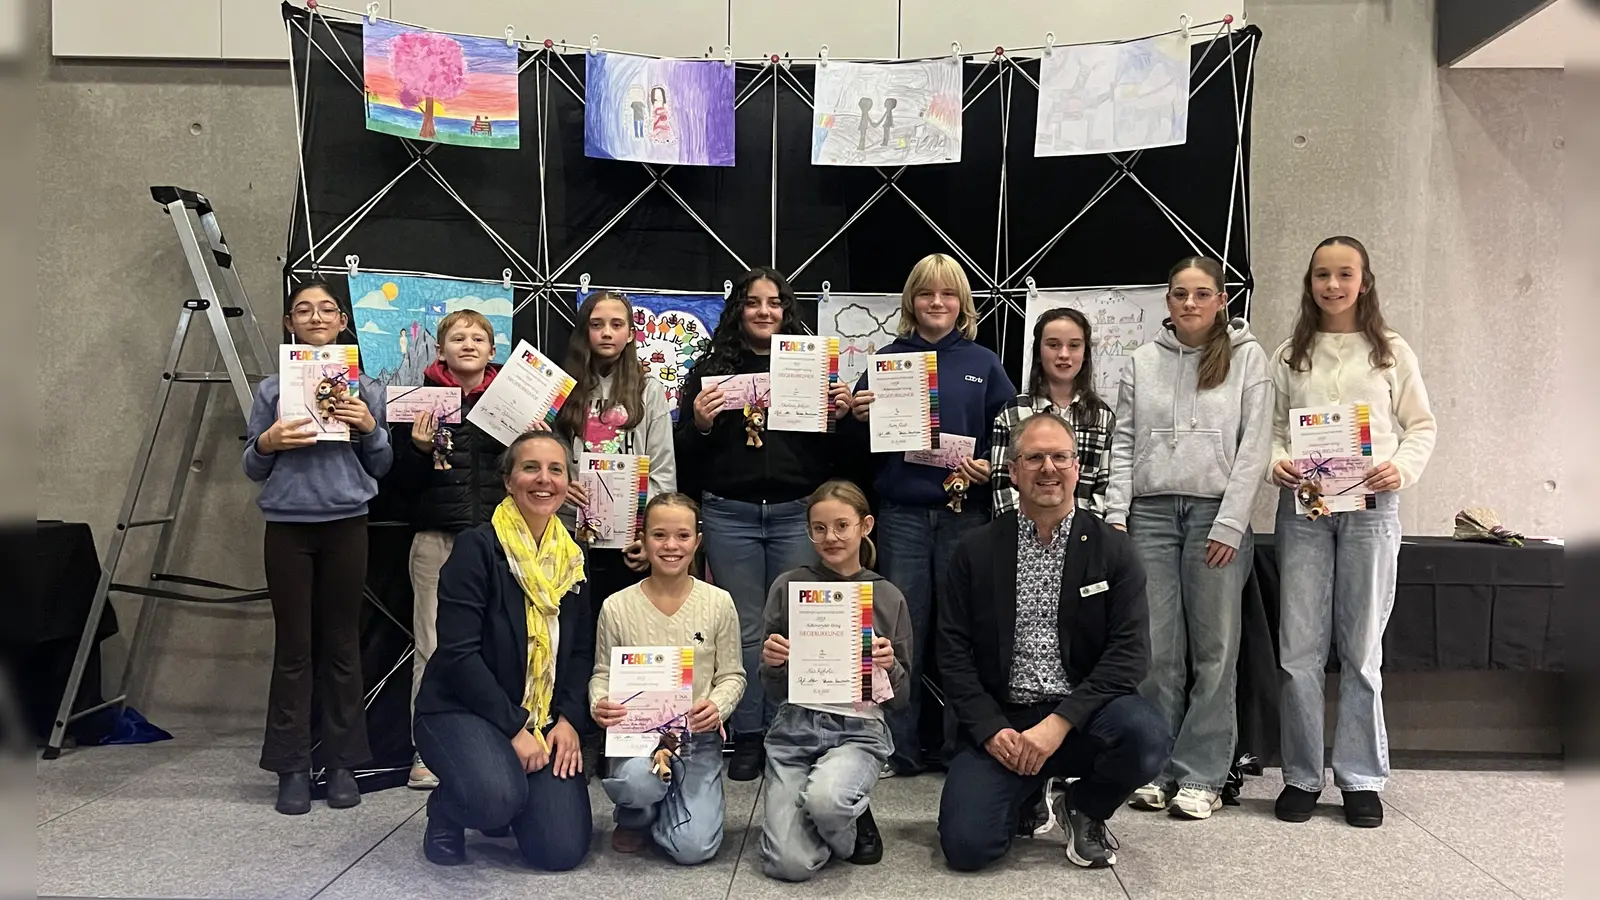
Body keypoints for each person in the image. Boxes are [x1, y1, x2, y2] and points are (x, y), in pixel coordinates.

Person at [935, 412, 1169, 872]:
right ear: (1013, 470)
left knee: (1146, 738)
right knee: (968, 848)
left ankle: (1084, 805)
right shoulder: (976, 550)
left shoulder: (1114, 550)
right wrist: (988, 729)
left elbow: (1129, 656)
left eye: (1060, 457)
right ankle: (1027, 788)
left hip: (1082, 715)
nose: (1049, 469)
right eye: (1035, 457)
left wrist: (1059, 723)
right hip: (1005, 719)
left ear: (1078, 468)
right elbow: (952, 650)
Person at [1268, 237, 1436, 828]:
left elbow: (1420, 426)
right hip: (1306, 509)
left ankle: (1362, 777)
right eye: (1321, 275)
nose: (1332, 285)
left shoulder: (1391, 353)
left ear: (1364, 282)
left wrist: (1402, 467)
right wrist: (1277, 462)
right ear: (1309, 283)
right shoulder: (1292, 354)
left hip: (1372, 509)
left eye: (1344, 274)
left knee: (1362, 649)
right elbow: (1268, 433)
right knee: (1298, 650)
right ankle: (1301, 776)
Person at [1105, 257, 1272, 820]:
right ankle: (1152, 767)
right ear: (1168, 302)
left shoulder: (1249, 360)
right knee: (1156, 653)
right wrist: (1116, 516)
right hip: (1150, 515)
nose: (1191, 304)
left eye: (1203, 294)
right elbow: (1123, 442)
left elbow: (1254, 449)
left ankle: (1202, 774)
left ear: (1221, 300)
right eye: (1180, 294)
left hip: (1214, 514)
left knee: (1215, 652)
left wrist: (1230, 521)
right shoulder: (1140, 362)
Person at [675, 266, 852, 781]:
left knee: (792, 628)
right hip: (729, 513)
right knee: (747, 630)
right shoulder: (711, 366)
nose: (764, 312)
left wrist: (839, 417)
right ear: (739, 309)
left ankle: (786, 733)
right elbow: (686, 451)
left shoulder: (811, 364)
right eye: (754, 303)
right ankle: (749, 735)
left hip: (797, 512)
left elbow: (834, 454)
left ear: (787, 309)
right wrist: (700, 424)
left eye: (774, 303)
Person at [847, 252, 1015, 776]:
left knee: (961, 634)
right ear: (910, 302)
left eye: (947, 293)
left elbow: (1008, 431)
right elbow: (855, 445)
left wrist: (992, 463)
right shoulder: (885, 361)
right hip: (902, 515)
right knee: (901, 637)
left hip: (966, 515)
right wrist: (856, 417)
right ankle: (898, 748)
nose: (936, 302)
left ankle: (961, 746)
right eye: (925, 293)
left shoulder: (984, 362)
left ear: (962, 302)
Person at [412, 432, 593, 870]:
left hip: (542, 713)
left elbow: (582, 650)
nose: (543, 480)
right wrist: (515, 729)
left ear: (569, 483)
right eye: (530, 468)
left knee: (561, 851)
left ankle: (506, 793)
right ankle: (449, 809)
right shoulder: (477, 548)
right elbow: (457, 655)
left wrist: (568, 719)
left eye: (556, 470)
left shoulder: (571, 557)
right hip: (462, 710)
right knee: (494, 799)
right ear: (509, 481)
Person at [244, 280, 390, 816]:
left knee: (343, 646)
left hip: (347, 524)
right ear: (290, 324)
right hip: (287, 526)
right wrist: (268, 442)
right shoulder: (270, 390)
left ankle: (345, 764)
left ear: (342, 323)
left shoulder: (365, 389)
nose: (316, 315)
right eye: (303, 309)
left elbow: (382, 465)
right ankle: (292, 767)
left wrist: (371, 428)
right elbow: (252, 467)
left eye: (327, 308)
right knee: (294, 649)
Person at [757, 479, 913, 881]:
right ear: (808, 531)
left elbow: (901, 698)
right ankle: (841, 807)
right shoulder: (788, 587)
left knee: (827, 802)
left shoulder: (888, 596)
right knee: (789, 865)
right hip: (795, 729)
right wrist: (773, 663)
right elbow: (773, 690)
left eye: (842, 525)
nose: (831, 537)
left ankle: (839, 803)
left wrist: (890, 665)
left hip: (859, 730)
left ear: (866, 526)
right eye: (820, 528)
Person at [556, 290, 678, 774]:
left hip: (628, 541)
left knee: (625, 640)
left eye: (616, 325)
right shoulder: (563, 387)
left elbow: (663, 469)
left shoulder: (648, 389)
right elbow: (542, 454)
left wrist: (650, 537)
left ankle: (627, 739)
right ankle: (577, 735)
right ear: (584, 330)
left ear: (631, 333)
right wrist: (561, 485)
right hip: (572, 538)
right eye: (597, 324)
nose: (606, 333)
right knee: (574, 638)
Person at [589, 494, 745, 864]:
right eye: (659, 535)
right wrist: (600, 702)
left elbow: (733, 675)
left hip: (696, 741)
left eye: (682, 535)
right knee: (637, 783)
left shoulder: (719, 602)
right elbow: (601, 674)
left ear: (697, 541)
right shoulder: (616, 606)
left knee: (694, 848)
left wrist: (717, 706)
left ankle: (669, 810)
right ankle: (636, 814)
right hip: (636, 738)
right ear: (642, 539)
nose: (671, 546)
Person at [388, 309, 507, 790]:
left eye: (479, 338)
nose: (468, 345)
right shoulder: (417, 401)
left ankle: (496, 740)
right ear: (440, 350)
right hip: (435, 539)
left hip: (497, 541)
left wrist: (535, 431)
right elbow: (393, 483)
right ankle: (428, 750)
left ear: (492, 350)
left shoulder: (512, 401)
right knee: (433, 646)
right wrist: (416, 451)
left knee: (501, 644)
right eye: (458, 338)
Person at [990, 307, 1116, 517]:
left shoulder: (1103, 417)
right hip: (1022, 539)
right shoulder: (1012, 414)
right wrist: (1023, 533)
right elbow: (1003, 485)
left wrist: (1086, 535)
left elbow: (1105, 487)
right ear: (1039, 352)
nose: (1064, 354)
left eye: (1074, 345)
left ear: (1085, 353)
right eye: (1053, 345)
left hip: (1084, 541)